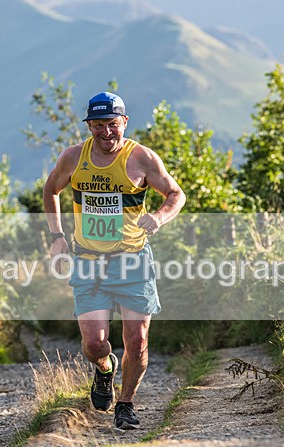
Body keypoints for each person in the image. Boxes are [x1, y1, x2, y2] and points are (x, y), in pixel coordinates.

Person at [43, 91, 185, 430]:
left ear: (124, 122)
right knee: (95, 344)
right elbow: (51, 190)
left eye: (112, 125)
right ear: (89, 126)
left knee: (137, 340)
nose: (106, 133)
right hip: (89, 262)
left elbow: (175, 194)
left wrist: (160, 217)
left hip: (132, 261)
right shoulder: (74, 158)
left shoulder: (142, 158)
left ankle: (126, 404)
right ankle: (105, 370)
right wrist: (57, 236)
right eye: (98, 126)